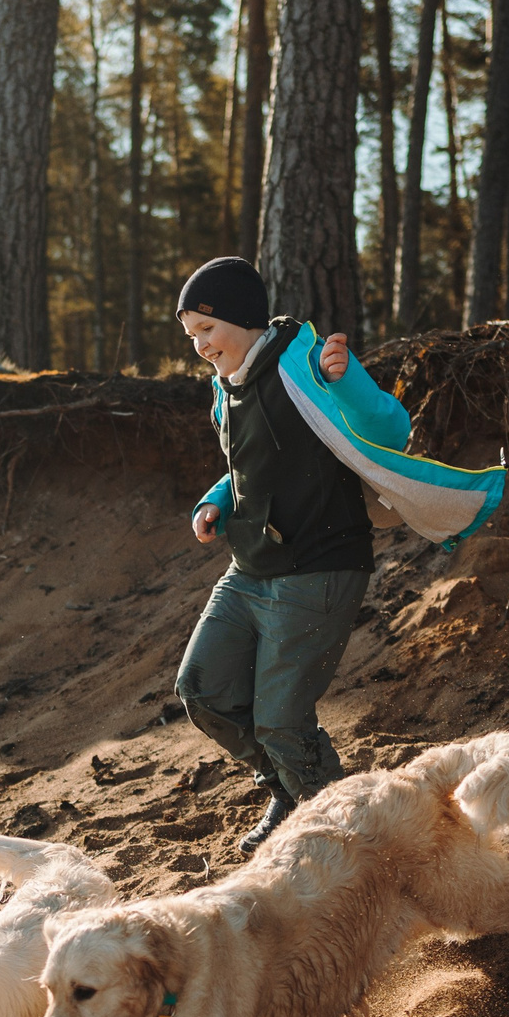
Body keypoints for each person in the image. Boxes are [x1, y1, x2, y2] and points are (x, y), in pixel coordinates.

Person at [173, 255, 418, 852]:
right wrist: (216, 501)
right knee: (203, 690)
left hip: (319, 565)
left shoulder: (304, 363)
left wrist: (348, 381)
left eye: (207, 328)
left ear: (242, 318)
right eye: (191, 335)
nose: (200, 345)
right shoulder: (225, 388)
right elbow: (248, 467)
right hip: (251, 567)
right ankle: (290, 789)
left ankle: (349, 843)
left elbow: (391, 430)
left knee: (281, 719)